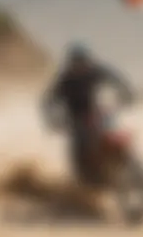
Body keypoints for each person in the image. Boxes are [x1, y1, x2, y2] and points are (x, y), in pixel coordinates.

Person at [42, 41, 135, 185]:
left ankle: (122, 160)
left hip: (97, 112)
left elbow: (116, 79)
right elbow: (49, 100)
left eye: (84, 61)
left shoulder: (96, 71)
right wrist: (52, 120)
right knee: (79, 148)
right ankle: (86, 178)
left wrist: (126, 93)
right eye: (77, 61)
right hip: (75, 119)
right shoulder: (65, 80)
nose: (81, 65)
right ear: (71, 63)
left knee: (113, 129)